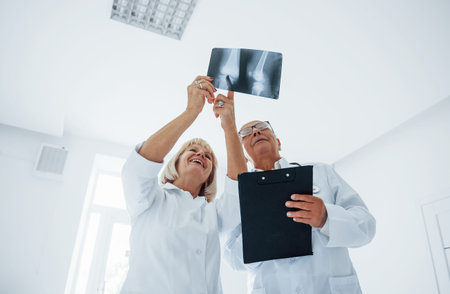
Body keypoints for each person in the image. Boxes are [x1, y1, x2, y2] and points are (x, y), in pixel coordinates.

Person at [214, 95, 376, 294]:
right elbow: (232, 259)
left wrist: (327, 218)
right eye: (246, 132)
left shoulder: (321, 173)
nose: (256, 131)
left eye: (262, 126)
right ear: (244, 155)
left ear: (278, 142)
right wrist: (260, 233)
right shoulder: (238, 196)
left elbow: (367, 226)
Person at [120, 76, 241, 294]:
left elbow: (241, 192)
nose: (201, 154)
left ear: (210, 175)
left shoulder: (214, 213)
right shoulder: (150, 200)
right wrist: (191, 112)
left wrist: (230, 127)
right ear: (175, 161)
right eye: (193, 150)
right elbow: (139, 166)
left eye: (208, 157)